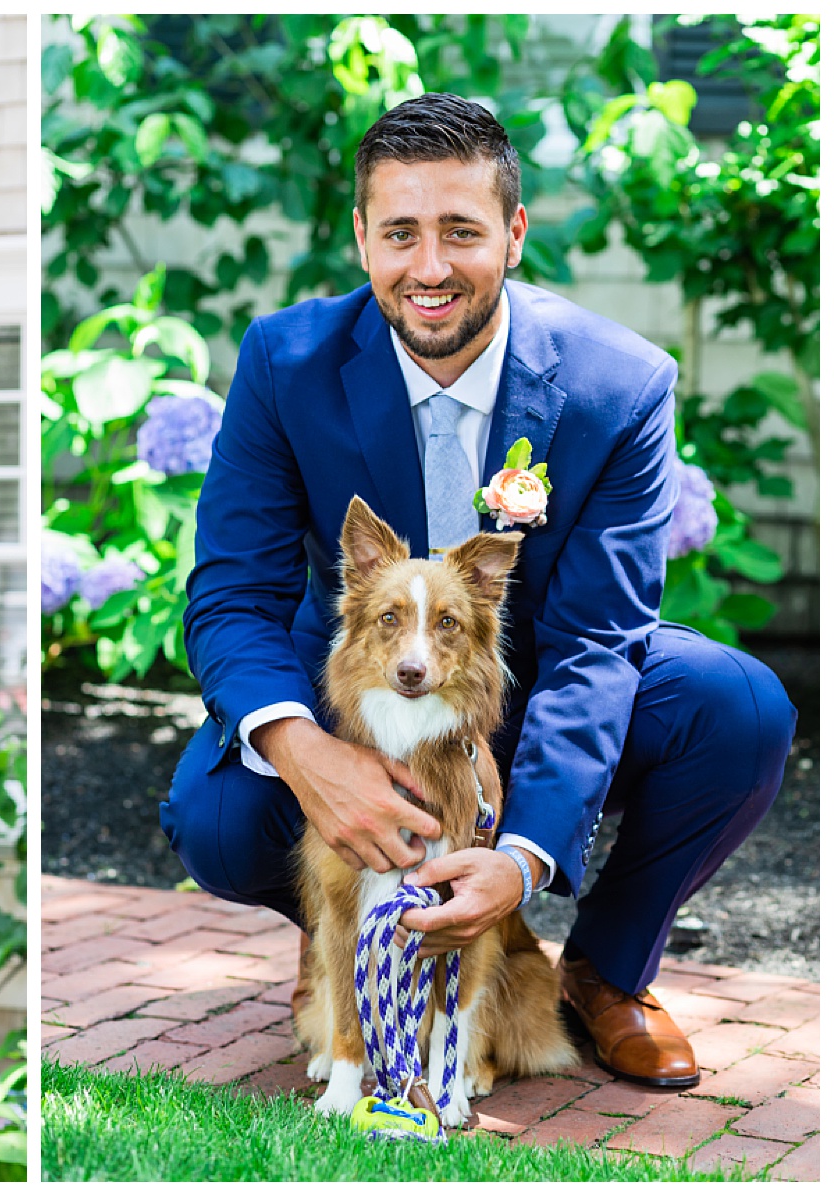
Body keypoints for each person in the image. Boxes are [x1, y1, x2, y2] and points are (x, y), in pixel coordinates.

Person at [160, 94, 795, 1090]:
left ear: (512, 232)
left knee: (739, 708)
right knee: (219, 815)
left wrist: (526, 856)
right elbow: (232, 592)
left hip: (522, 686)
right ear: (361, 237)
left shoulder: (616, 385)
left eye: (461, 231)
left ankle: (605, 971)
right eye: (400, 233)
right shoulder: (284, 363)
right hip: (367, 697)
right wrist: (310, 755)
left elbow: (596, 642)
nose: (429, 268)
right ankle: (347, 920)